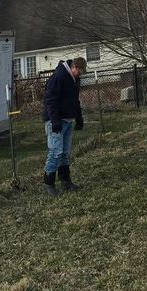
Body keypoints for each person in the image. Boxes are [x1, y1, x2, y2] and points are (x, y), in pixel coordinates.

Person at [42, 56, 86, 197]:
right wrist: (54, 121)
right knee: (55, 152)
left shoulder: (74, 79)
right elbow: (50, 99)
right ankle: (48, 183)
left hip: (67, 120)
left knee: (64, 152)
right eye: (79, 71)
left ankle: (65, 181)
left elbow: (75, 100)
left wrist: (79, 117)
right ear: (74, 67)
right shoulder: (59, 76)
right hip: (55, 120)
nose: (80, 75)